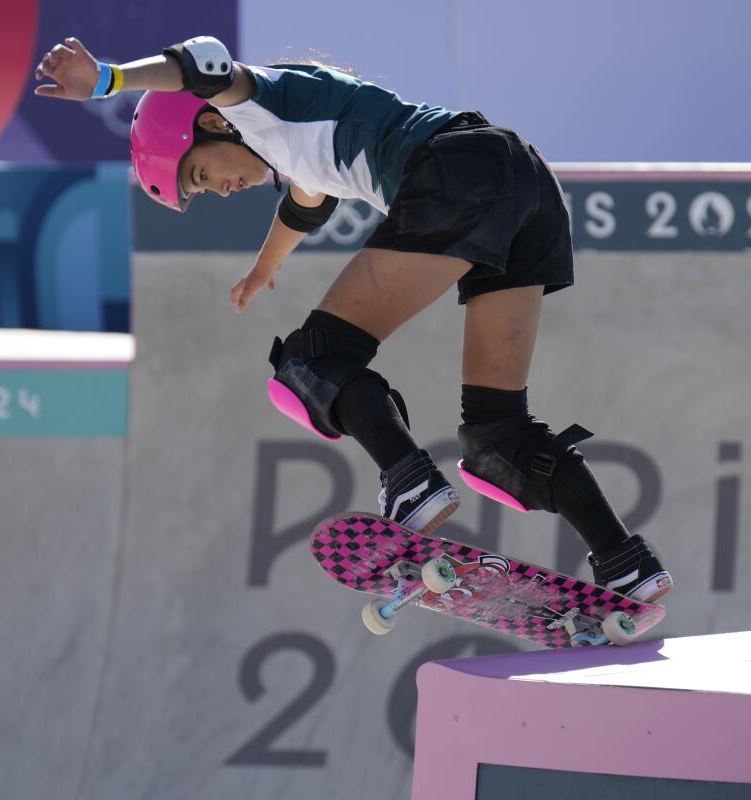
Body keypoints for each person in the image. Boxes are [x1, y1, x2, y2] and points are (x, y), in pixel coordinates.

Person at [33, 36, 673, 602]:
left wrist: (108, 81)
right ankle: (625, 565)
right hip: (527, 188)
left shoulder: (251, 102)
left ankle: (410, 483)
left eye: (200, 173)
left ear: (211, 121)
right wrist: (263, 269)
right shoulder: (296, 138)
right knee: (496, 441)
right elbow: (306, 206)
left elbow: (202, 61)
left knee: (306, 365)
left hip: (461, 171)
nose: (218, 189)